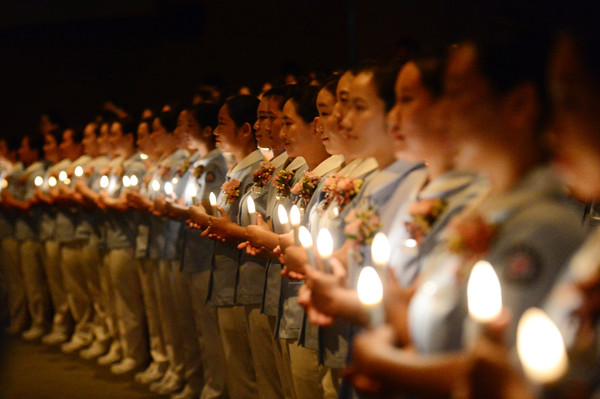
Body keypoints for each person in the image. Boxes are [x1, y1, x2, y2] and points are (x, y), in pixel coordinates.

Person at [349, 27, 584, 397]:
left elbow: (506, 379)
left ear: (519, 105)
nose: (441, 111)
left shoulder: (542, 225)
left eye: (456, 93)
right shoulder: (490, 207)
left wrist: (384, 362)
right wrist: (402, 312)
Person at [188, 94, 262, 399]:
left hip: (246, 278)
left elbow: (255, 228)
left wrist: (216, 224)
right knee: (238, 364)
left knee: (250, 368)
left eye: (221, 123)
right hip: (231, 276)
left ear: (245, 130)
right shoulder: (237, 170)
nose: (215, 131)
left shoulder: (259, 173)